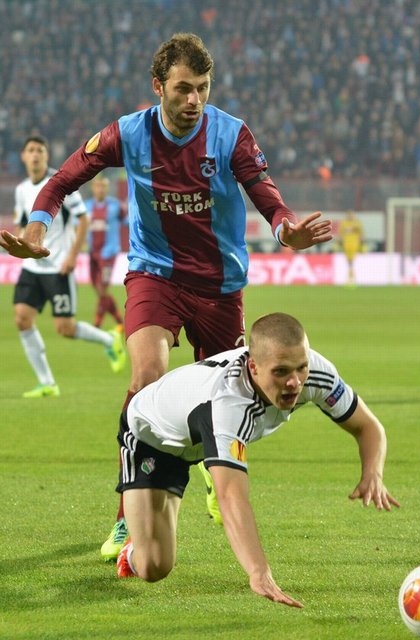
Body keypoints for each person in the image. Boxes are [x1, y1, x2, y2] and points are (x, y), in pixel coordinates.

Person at [0, 33, 332, 559]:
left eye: (201, 88)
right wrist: (38, 225)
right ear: (158, 87)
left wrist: (285, 226)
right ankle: (124, 519)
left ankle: (204, 461)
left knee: (232, 396)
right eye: (182, 89)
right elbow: (62, 179)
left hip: (221, 287)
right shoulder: (127, 134)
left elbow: (267, 197)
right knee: (145, 381)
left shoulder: (231, 135)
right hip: (155, 276)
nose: (193, 100)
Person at [115, 312, 400, 608]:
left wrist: (373, 474)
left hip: (202, 439)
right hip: (152, 438)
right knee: (153, 567)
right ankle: (133, 547)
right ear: (253, 366)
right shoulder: (229, 404)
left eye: (301, 368)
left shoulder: (315, 373)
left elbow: (369, 428)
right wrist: (258, 571)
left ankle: (150, 524)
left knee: (160, 560)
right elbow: (231, 497)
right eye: (281, 372)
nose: (294, 382)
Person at [10, 136, 126, 398]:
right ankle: (47, 382)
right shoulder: (21, 190)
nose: (36, 155)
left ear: (47, 155)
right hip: (32, 268)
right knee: (22, 319)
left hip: (58, 267)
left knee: (65, 328)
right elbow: (22, 222)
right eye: (31, 150)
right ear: (23, 156)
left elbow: (83, 219)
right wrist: (19, 241)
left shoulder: (58, 185)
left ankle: (111, 340)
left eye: (40, 150)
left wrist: (73, 255)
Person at [85, 174, 126, 329]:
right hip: (92, 252)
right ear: (93, 188)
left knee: (103, 287)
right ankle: (117, 318)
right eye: (97, 186)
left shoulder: (116, 206)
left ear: (107, 188)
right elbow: (79, 227)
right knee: (96, 287)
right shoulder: (86, 206)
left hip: (108, 253)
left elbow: (127, 221)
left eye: (103, 186)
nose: (100, 189)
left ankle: (98, 322)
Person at [338, 210, 364, 286]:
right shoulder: (344, 223)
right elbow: (340, 233)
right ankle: (350, 274)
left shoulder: (357, 223)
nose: (350, 216)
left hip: (355, 244)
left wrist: (362, 243)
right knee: (349, 260)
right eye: (349, 215)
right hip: (346, 244)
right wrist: (340, 241)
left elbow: (361, 234)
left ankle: (352, 275)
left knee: (352, 259)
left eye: (352, 215)